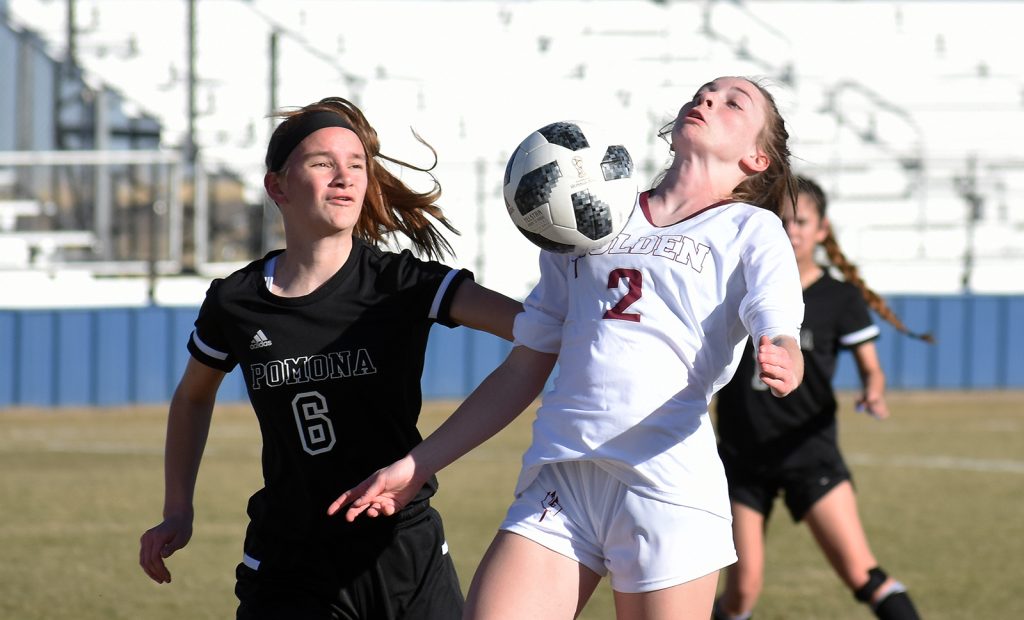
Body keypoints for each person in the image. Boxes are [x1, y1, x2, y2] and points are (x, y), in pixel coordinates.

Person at [330, 75, 806, 619]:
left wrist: (783, 348)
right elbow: (524, 367)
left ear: (757, 159)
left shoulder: (750, 228)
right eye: (704, 92)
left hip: (665, 482)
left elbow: (775, 310)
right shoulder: (585, 214)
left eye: (732, 103)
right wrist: (417, 466)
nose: (707, 101)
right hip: (563, 474)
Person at [138, 96, 524, 619]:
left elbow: (534, 330)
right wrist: (177, 508)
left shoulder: (402, 283)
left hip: (403, 552)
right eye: (323, 163)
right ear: (277, 186)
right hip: (290, 561)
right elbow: (191, 397)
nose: (344, 176)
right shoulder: (235, 300)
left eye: (356, 165)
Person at [712, 176, 929, 620]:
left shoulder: (839, 297)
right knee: (741, 593)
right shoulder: (738, 287)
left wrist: (873, 390)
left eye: (801, 221)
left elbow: (872, 368)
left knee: (862, 574)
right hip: (741, 458)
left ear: (822, 229)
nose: (791, 230)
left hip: (809, 455)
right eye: (781, 220)